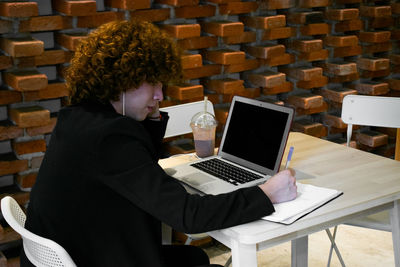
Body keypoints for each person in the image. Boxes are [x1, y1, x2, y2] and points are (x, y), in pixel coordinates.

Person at [22, 20, 297, 267]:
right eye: (152, 83)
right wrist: (266, 193)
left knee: (195, 258)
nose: (160, 94)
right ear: (122, 80)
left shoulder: (79, 118)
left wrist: (149, 113)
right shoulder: (109, 138)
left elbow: (138, 166)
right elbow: (189, 217)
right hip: (98, 255)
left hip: (85, 250)